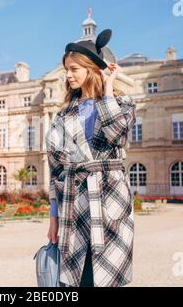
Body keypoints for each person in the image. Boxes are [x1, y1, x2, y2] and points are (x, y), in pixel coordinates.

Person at [45, 29, 136, 287]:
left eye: (74, 68)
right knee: (76, 280)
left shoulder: (123, 103)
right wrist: (53, 217)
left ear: (92, 69)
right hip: (73, 204)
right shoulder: (62, 116)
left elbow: (116, 134)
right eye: (66, 69)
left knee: (108, 278)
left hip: (112, 202)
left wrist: (107, 89)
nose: (68, 74)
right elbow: (56, 171)